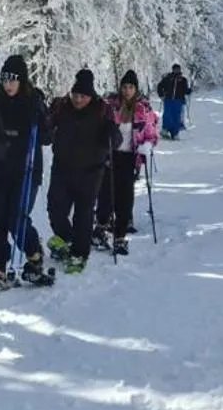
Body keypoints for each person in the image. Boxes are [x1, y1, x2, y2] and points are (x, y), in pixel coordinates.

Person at [0, 54, 52, 288]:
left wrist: (41, 116)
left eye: (12, 80)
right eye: (5, 79)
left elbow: (47, 137)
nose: (8, 85)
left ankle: (33, 252)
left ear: (22, 80)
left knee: (16, 217)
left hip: (26, 171)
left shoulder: (32, 103)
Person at [46, 68, 119, 275]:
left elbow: (115, 140)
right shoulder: (62, 106)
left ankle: (80, 252)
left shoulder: (102, 110)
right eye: (75, 95)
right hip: (62, 168)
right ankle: (68, 239)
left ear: (91, 95)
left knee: (83, 214)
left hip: (91, 171)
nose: (78, 100)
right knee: (55, 209)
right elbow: (47, 126)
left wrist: (111, 135)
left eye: (83, 96)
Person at [95, 70, 159, 254]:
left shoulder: (143, 109)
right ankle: (101, 226)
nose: (127, 91)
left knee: (125, 197)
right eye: (124, 87)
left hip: (130, 157)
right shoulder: (110, 105)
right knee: (105, 192)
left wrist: (147, 145)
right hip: (110, 155)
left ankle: (120, 235)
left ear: (136, 89)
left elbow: (151, 133)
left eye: (131, 87)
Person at [157, 62, 192, 139]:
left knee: (176, 116)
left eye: (178, 69)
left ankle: (175, 133)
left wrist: (189, 91)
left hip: (178, 100)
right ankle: (165, 130)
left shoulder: (183, 80)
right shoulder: (168, 78)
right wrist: (161, 95)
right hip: (168, 99)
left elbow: (185, 90)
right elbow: (160, 86)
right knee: (167, 115)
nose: (176, 70)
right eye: (175, 69)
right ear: (172, 70)